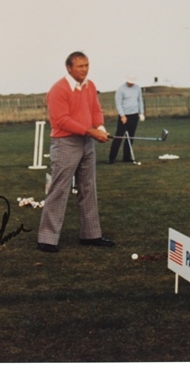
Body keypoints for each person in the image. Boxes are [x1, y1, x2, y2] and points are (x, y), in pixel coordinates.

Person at [37, 52, 115, 253]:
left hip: (87, 141)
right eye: (80, 66)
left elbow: (95, 110)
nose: (84, 69)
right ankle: (47, 238)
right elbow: (60, 120)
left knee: (88, 187)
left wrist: (100, 128)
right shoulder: (58, 89)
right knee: (59, 189)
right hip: (65, 142)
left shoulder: (90, 86)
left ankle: (91, 234)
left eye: (87, 65)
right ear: (69, 68)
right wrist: (90, 131)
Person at [108, 75, 145, 164]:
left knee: (130, 137)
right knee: (118, 137)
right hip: (124, 116)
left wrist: (141, 113)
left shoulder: (137, 88)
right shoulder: (121, 89)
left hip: (134, 115)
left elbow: (140, 100)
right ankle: (111, 158)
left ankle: (127, 157)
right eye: (129, 81)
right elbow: (118, 104)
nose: (131, 83)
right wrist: (122, 115)